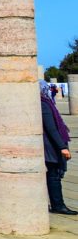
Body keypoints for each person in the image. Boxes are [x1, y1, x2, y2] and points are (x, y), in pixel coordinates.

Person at [41, 80, 75, 215]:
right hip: (51, 145)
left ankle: (57, 204)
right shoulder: (44, 104)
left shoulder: (45, 102)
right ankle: (58, 205)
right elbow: (51, 128)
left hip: (50, 144)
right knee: (54, 174)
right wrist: (62, 146)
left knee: (54, 174)